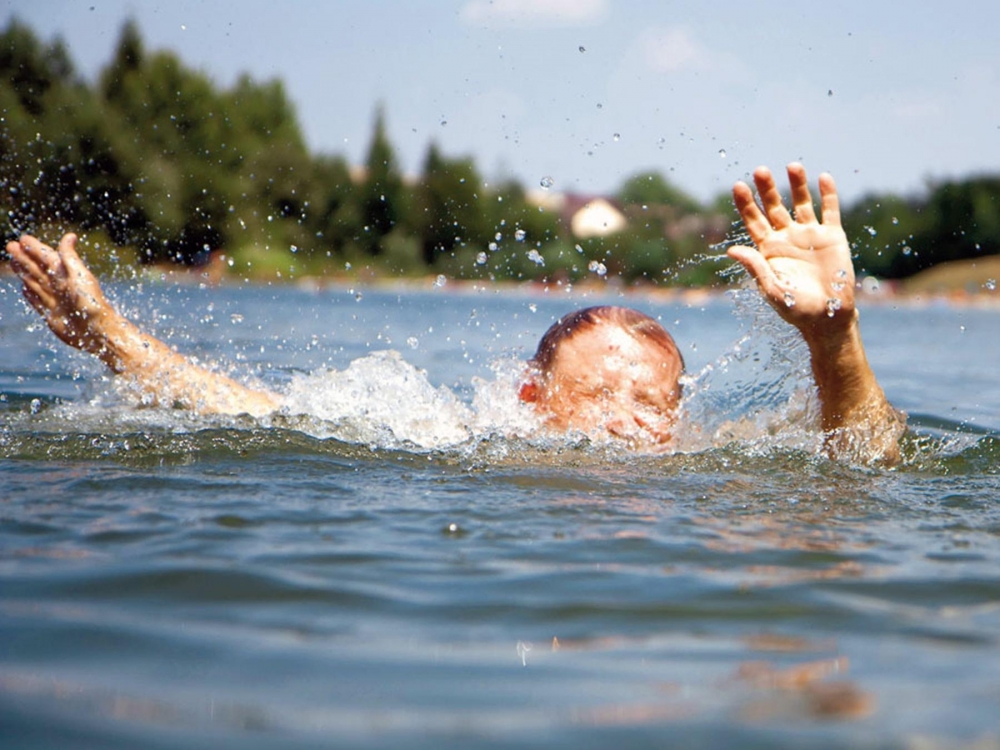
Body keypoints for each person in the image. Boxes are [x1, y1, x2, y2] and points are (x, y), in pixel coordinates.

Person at [6, 163, 904, 463]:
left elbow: (868, 456)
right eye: (597, 399)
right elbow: (249, 412)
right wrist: (107, 336)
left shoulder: (704, 466)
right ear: (525, 398)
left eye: (650, 408)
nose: (627, 426)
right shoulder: (453, 435)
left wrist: (836, 340)